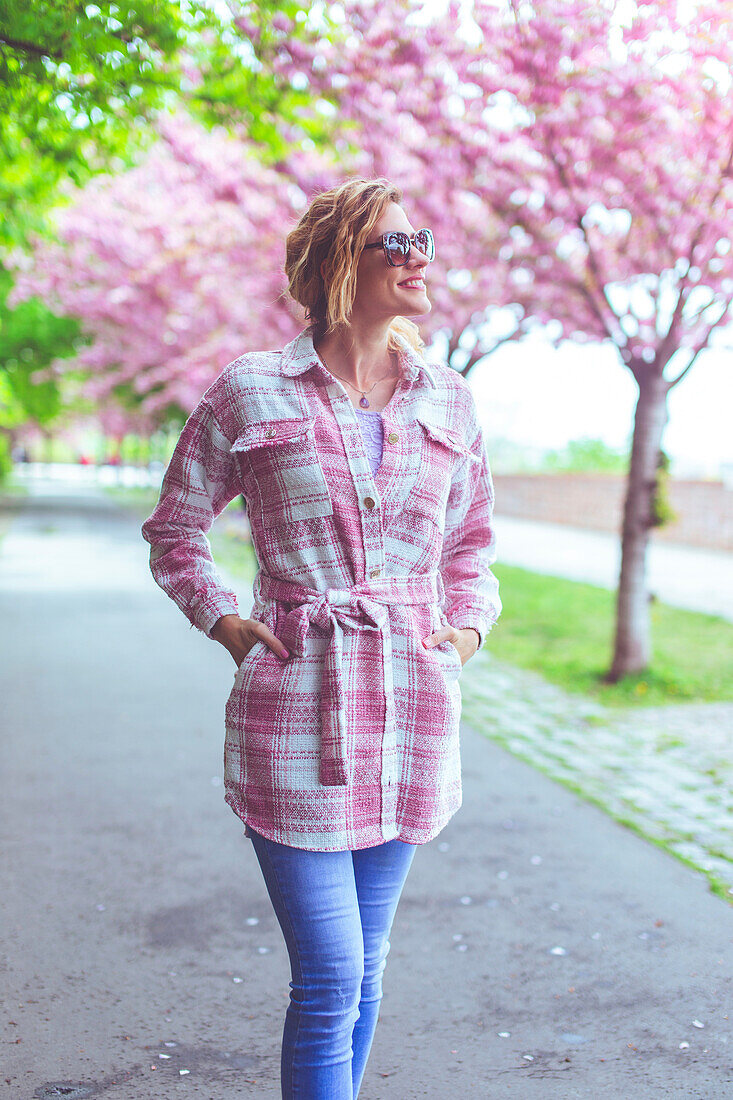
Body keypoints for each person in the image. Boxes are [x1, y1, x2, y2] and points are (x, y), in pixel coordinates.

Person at [141, 176, 502, 1099]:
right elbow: (175, 529)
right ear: (343, 261)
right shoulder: (252, 392)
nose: (421, 253)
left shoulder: (450, 401)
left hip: (411, 711)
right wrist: (223, 621)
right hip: (294, 711)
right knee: (333, 973)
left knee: (368, 968)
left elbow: (471, 548)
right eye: (397, 240)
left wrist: (459, 638)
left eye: (423, 236)